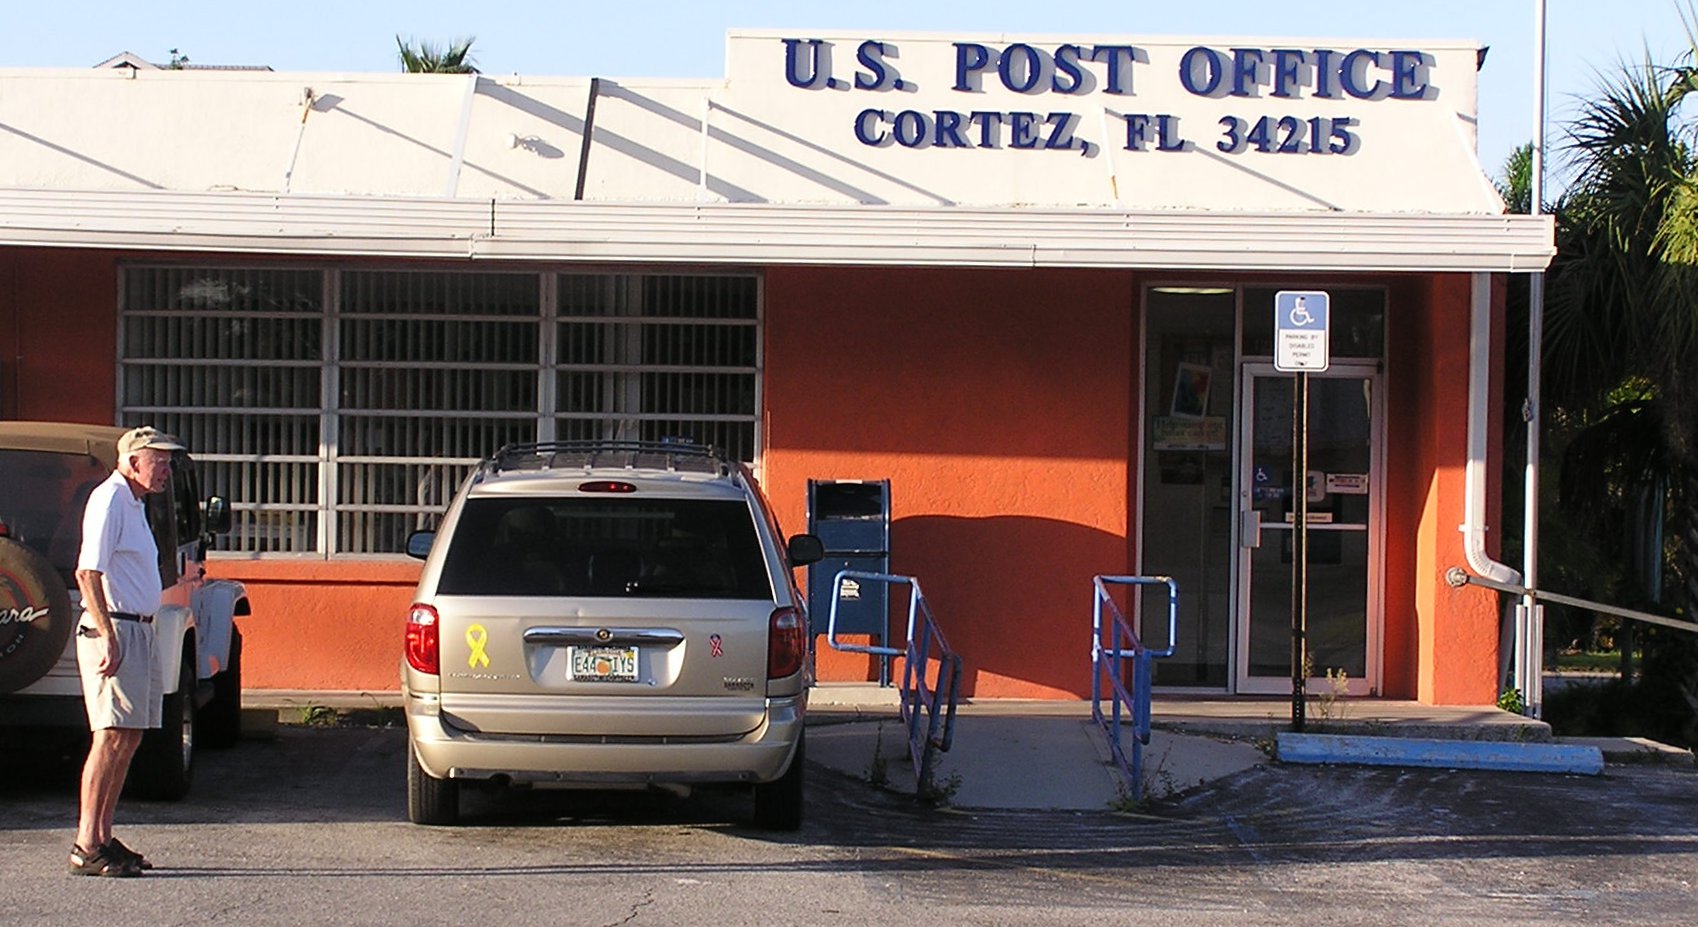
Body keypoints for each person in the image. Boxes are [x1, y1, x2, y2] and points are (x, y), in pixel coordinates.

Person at [67, 425, 183, 877]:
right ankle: (84, 843)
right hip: (113, 629)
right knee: (110, 735)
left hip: (140, 629)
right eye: (159, 461)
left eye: (168, 463)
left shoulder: (134, 504)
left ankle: (103, 836)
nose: (166, 471)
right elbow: (87, 573)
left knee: (130, 736)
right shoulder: (110, 499)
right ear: (133, 461)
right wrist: (107, 635)